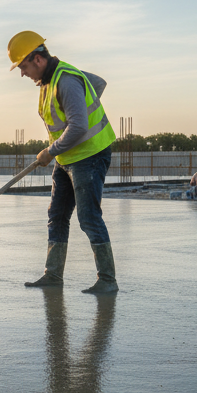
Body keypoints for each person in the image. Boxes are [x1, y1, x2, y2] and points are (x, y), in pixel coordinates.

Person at [8, 31, 117, 294]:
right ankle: (53, 275)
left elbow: (78, 126)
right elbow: (97, 84)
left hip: (89, 156)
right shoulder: (49, 81)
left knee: (88, 217)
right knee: (56, 215)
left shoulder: (65, 80)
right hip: (66, 157)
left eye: (23, 66)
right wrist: (57, 150)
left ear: (37, 59)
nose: (22, 73)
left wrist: (50, 151)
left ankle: (107, 280)